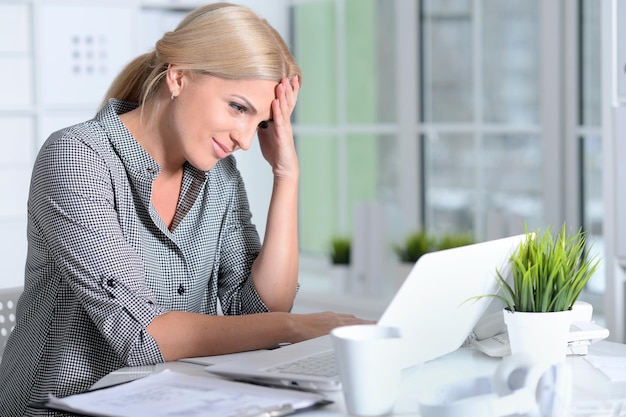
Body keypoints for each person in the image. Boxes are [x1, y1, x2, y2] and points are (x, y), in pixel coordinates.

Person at [0, 3, 370, 416]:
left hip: (169, 403)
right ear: (178, 77)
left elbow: (256, 311)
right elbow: (144, 337)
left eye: (262, 123)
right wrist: (297, 327)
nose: (245, 140)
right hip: (58, 408)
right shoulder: (77, 158)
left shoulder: (221, 177)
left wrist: (286, 174)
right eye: (238, 108)